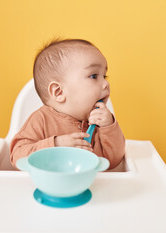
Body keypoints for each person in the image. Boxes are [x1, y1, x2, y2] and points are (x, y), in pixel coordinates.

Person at [10, 38, 125, 169]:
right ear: (58, 92)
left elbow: (114, 161)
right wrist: (56, 145)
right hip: (49, 185)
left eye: (104, 76)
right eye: (93, 76)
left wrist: (109, 127)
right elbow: (17, 157)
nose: (106, 84)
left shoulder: (100, 124)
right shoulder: (41, 120)